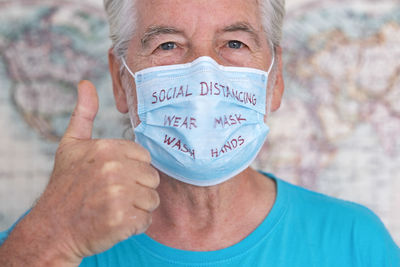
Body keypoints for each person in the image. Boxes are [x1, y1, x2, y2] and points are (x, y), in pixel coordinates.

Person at [0, 0, 399, 266]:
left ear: (275, 79)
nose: (204, 75)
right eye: (168, 45)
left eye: (234, 43)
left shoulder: (355, 243)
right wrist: (47, 241)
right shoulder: (39, 245)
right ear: (122, 82)